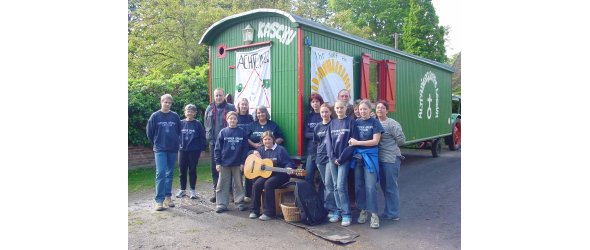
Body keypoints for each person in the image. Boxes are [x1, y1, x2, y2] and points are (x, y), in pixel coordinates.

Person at [348, 99, 384, 229]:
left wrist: (357, 143)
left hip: (370, 157)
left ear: (370, 110)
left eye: (365, 109)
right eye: (360, 109)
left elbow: (375, 141)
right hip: (358, 157)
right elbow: (350, 139)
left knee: (371, 186)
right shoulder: (356, 123)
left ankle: (374, 215)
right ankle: (362, 210)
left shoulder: (375, 123)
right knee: (359, 186)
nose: (362, 111)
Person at [248, 131, 295, 221]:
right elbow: (250, 155)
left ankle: (269, 212)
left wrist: (288, 167)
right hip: (267, 174)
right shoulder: (261, 150)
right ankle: (254, 211)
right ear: (262, 141)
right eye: (265, 139)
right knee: (257, 184)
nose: (267, 141)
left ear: (273, 139)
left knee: (268, 184)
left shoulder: (281, 150)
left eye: (269, 139)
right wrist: (253, 152)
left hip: (281, 175)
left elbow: (289, 162)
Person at [325, 100, 357, 226]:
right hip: (333, 160)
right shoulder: (332, 123)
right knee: (334, 186)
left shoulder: (351, 122)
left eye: (341, 108)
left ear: (346, 108)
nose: (339, 110)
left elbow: (353, 143)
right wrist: (333, 158)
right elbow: (328, 143)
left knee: (340, 186)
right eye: (337, 108)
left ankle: (346, 214)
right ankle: (338, 211)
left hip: (344, 160)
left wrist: (341, 158)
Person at [146, 94, 181, 211]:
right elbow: (150, 133)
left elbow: (178, 131)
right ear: (161, 102)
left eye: (169, 103)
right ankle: (159, 201)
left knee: (169, 173)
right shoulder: (155, 116)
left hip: (172, 149)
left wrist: (176, 142)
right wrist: (156, 142)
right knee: (160, 173)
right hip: (160, 149)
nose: (167, 104)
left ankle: (167, 197)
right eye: (165, 102)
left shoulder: (175, 116)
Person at [204, 88, 236, 202]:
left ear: (224, 96)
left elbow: (235, 122)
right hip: (213, 143)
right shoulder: (209, 108)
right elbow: (206, 124)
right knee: (215, 169)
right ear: (214, 96)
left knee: (230, 167)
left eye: (220, 95)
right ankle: (216, 192)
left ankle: (231, 193)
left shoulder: (231, 107)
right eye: (216, 95)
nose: (218, 97)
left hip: (228, 142)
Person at [375, 100, 405, 222]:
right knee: (384, 186)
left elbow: (401, 140)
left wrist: (391, 147)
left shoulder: (392, 124)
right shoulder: (375, 122)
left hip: (391, 159)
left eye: (382, 108)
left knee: (391, 187)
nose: (380, 110)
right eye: (378, 108)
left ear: (387, 111)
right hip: (380, 159)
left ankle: (393, 213)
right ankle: (388, 212)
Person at [214, 111, 249, 213]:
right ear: (227, 120)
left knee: (238, 184)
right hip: (224, 163)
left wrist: (243, 162)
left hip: (238, 163)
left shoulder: (242, 132)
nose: (232, 120)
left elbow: (245, 148)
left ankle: (239, 202)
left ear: (237, 120)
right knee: (222, 184)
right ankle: (221, 204)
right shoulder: (223, 132)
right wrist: (218, 162)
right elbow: (217, 149)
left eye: (234, 118)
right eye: (230, 118)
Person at [176, 104, 207, 199]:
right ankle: (182, 190)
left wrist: (202, 149)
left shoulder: (197, 124)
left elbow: (202, 137)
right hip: (182, 150)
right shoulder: (180, 123)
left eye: (192, 111)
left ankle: (193, 191)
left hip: (194, 151)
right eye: (188, 111)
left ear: (195, 113)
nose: (189, 113)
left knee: (192, 170)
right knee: (182, 170)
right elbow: (176, 135)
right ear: (185, 112)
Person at [314, 103, 335, 213]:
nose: (324, 114)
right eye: (322, 112)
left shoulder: (334, 124)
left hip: (330, 158)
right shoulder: (318, 126)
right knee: (326, 184)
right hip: (320, 158)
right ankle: (329, 208)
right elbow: (318, 141)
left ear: (330, 112)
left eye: (326, 111)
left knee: (329, 184)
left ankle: (331, 209)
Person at [304, 93, 324, 197]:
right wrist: (318, 135)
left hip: (323, 152)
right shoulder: (309, 117)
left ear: (321, 103)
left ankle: (321, 200)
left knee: (323, 178)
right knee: (308, 176)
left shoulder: (325, 115)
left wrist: (316, 135)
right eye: (313, 102)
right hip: (311, 151)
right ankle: (310, 199)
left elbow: (327, 133)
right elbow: (306, 134)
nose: (315, 104)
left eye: (317, 101)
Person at [236, 98, 255, 202]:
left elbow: (251, 133)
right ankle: (237, 195)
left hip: (247, 148)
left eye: (245, 105)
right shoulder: (235, 117)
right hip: (236, 149)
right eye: (242, 104)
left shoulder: (250, 118)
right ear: (238, 106)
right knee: (237, 173)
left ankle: (248, 195)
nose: (243, 106)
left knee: (248, 171)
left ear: (248, 106)